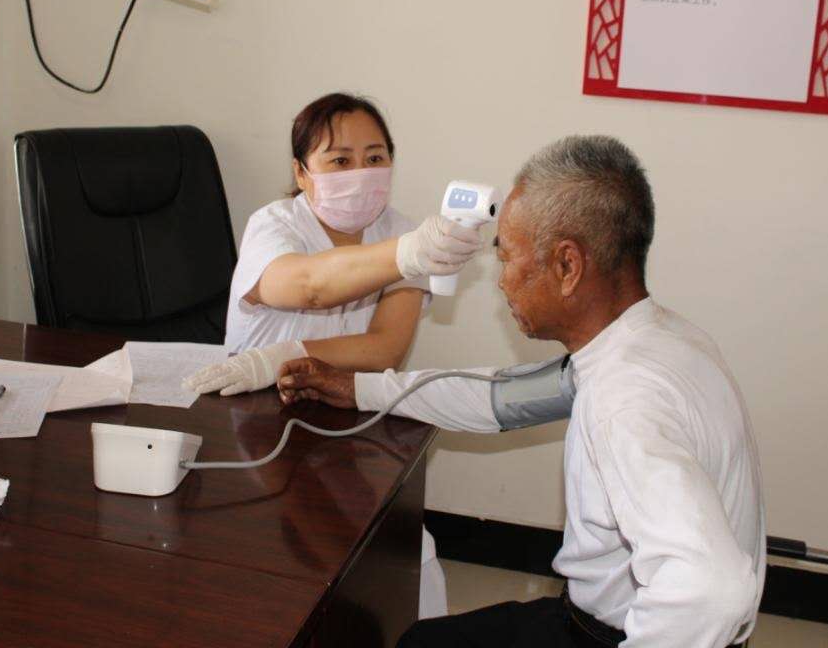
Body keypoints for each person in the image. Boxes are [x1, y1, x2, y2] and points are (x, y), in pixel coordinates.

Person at [277, 136, 766, 648]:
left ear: (567, 266)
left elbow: (712, 591)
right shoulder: (658, 339)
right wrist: (358, 387)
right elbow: (497, 397)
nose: (502, 282)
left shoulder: (623, 400)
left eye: (507, 257)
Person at [184, 92, 479, 619]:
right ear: (302, 172)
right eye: (340, 160)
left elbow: (385, 347)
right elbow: (307, 287)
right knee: (272, 564)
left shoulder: (400, 232)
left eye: (374, 157)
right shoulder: (275, 225)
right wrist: (407, 256)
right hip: (253, 420)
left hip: (344, 418)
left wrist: (285, 355)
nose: (360, 173)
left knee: (399, 553)